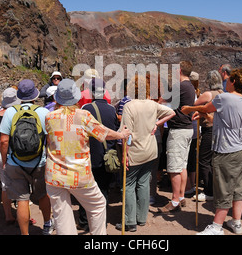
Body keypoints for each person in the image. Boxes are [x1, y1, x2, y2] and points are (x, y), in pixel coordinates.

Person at [44, 79, 131, 235]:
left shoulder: (49, 117)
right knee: (97, 204)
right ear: (76, 97)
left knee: (62, 214)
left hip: (55, 174)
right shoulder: (84, 115)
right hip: (79, 174)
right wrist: (121, 134)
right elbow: (103, 133)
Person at [193, 67, 242, 235]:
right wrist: (204, 114)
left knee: (224, 188)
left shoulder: (223, 98)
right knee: (238, 188)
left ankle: (217, 227)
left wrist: (192, 110)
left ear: (233, 82)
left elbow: (206, 108)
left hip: (227, 150)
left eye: (229, 80)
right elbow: (220, 119)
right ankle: (236, 222)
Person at [117, 75, 175, 231]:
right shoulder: (152, 105)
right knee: (143, 183)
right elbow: (171, 112)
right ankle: (141, 218)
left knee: (128, 185)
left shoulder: (129, 106)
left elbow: (126, 133)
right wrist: (157, 123)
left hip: (135, 151)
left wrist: (124, 154)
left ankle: (130, 221)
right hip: (150, 151)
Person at [0, 79, 53, 235]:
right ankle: (47, 225)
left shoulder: (10, 112)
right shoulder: (43, 112)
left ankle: (24, 233)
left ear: (19, 96)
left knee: (22, 199)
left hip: (15, 163)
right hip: (39, 163)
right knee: (43, 195)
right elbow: (50, 140)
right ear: (35, 95)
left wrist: (5, 161)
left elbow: (3, 140)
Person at [78, 78, 119, 231]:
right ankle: (101, 221)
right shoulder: (111, 109)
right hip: (107, 155)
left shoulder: (85, 108)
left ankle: (84, 221)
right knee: (103, 190)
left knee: (86, 190)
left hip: (90, 156)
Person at [158, 61, 196, 213]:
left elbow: (162, 101)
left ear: (179, 70)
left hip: (178, 130)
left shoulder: (179, 86)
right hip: (187, 128)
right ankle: (180, 196)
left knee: (173, 167)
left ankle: (174, 201)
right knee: (182, 165)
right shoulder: (191, 86)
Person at [182, 70, 223, 202]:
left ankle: (208, 191)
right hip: (219, 129)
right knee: (212, 160)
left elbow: (194, 104)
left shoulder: (208, 94)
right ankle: (213, 188)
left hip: (209, 129)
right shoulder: (222, 94)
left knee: (204, 160)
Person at [0, 87, 21, 225]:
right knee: (21, 184)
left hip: (0, 152)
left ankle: (8, 214)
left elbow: (1, 138)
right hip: (14, 152)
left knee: (4, 185)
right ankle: (22, 216)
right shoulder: (16, 114)